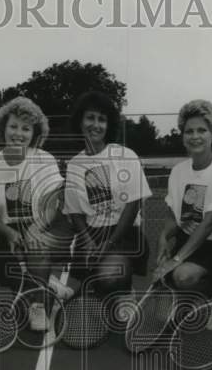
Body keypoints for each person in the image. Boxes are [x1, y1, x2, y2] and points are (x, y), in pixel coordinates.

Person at [0, 97, 64, 330]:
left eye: (26, 128)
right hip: (10, 231)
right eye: (13, 126)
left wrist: (36, 229)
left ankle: (40, 306)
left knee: (37, 252)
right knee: (10, 279)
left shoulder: (45, 160)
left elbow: (53, 206)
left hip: (44, 224)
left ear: (34, 133)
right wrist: (9, 234)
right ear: (3, 128)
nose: (18, 133)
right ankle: (49, 286)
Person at [154, 99, 212, 327]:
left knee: (182, 276)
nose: (195, 136)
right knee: (162, 316)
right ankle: (190, 300)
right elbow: (173, 214)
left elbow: (209, 224)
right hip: (187, 242)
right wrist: (164, 238)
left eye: (202, 130)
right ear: (182, 136)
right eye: (189, 131)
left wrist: (176, 259)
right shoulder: (178, 171)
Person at [62, 91, 151, 298]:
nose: (96, 124)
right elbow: (75, 213)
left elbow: (133, 204)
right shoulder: (74, 165)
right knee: (97, 291)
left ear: (109, 125)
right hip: (91, 236)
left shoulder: (125, 156)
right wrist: (89, 242)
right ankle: (116, 300)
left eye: (102, 119)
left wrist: (109, 243)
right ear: (80, 121)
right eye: (90, 117)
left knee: (110, 278)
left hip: (124, 234)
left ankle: (123, 294)